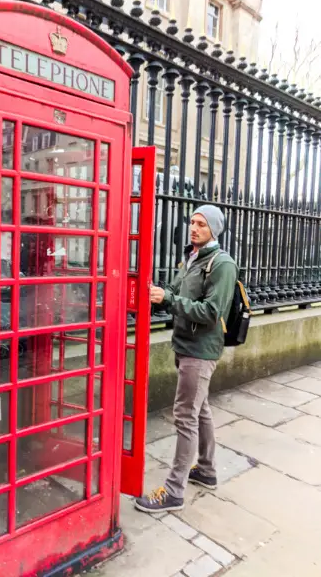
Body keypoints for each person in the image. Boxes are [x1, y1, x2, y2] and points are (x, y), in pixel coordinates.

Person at [135, 204, 238, 513]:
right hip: (184, 344)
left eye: (201, 224)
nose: (194, 228)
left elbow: (210, 312)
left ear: (214, 230)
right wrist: (160, 293)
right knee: (200, 409)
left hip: (199, 351)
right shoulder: (192, 257)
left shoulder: (222, 265)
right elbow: (177, 293)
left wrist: (169, 299)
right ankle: (206, 470)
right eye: (192, 222)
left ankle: (174, 491)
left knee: (185, 416)